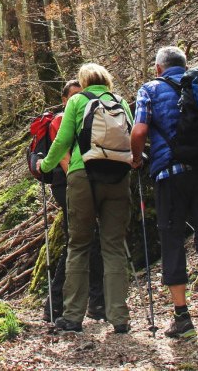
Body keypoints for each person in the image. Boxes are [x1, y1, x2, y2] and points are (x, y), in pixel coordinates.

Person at [130, 46, 198, 338]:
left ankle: (182, 317)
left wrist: (137, 158)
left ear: (158, 68)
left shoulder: (150, 89)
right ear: (185, 64)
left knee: (172, 240)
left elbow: (139, 131)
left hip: (170, 175)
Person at [39, 63, 133, 334]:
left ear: (83, 81)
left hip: (84, 175)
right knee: (114, 247)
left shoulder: (78, 100)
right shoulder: (120, 101)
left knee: (79, 245)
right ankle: (119, 316)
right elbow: (132, 136)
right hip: (118, 176)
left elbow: (62, 141)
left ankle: (72, 316)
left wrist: (45, 166)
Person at [47, 80, 106, 322]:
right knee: (80, 240)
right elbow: (63, 155)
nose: (79, 98)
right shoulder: (60, 120)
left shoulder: (87, 114)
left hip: (85, 180)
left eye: (81, 93)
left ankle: (92, 302)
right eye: (73, 95)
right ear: (64, 100)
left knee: (87, 241)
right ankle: (57, 304)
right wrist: (78, 181)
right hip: (68, 183)